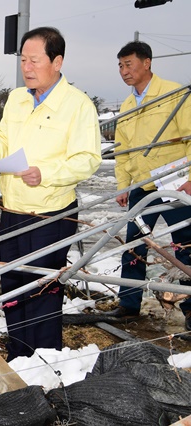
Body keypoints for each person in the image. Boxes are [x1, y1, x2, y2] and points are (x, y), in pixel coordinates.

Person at [0, 27, 101, 362]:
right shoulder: (18, 98)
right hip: (14, 209)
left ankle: (46, 360)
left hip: (51, 214)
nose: (26, 67)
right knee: (13, 284)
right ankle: (19, 353)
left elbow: (88, 159)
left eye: (34, 60)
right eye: (23, 60)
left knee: (43, 288)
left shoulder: (77, 105)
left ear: (57, 61)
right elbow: (4, 134)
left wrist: (46, 174)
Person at [108, 40, 191, 331]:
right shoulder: (129, 105)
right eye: (120, 65)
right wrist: (123, 185)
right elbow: (122, 150)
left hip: (174, 184)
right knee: (134, 244)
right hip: (142, 187)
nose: (123, 71)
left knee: (186, 245)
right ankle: (129, 304)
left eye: (128, 64)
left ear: (147, 63)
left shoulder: (173, 94)